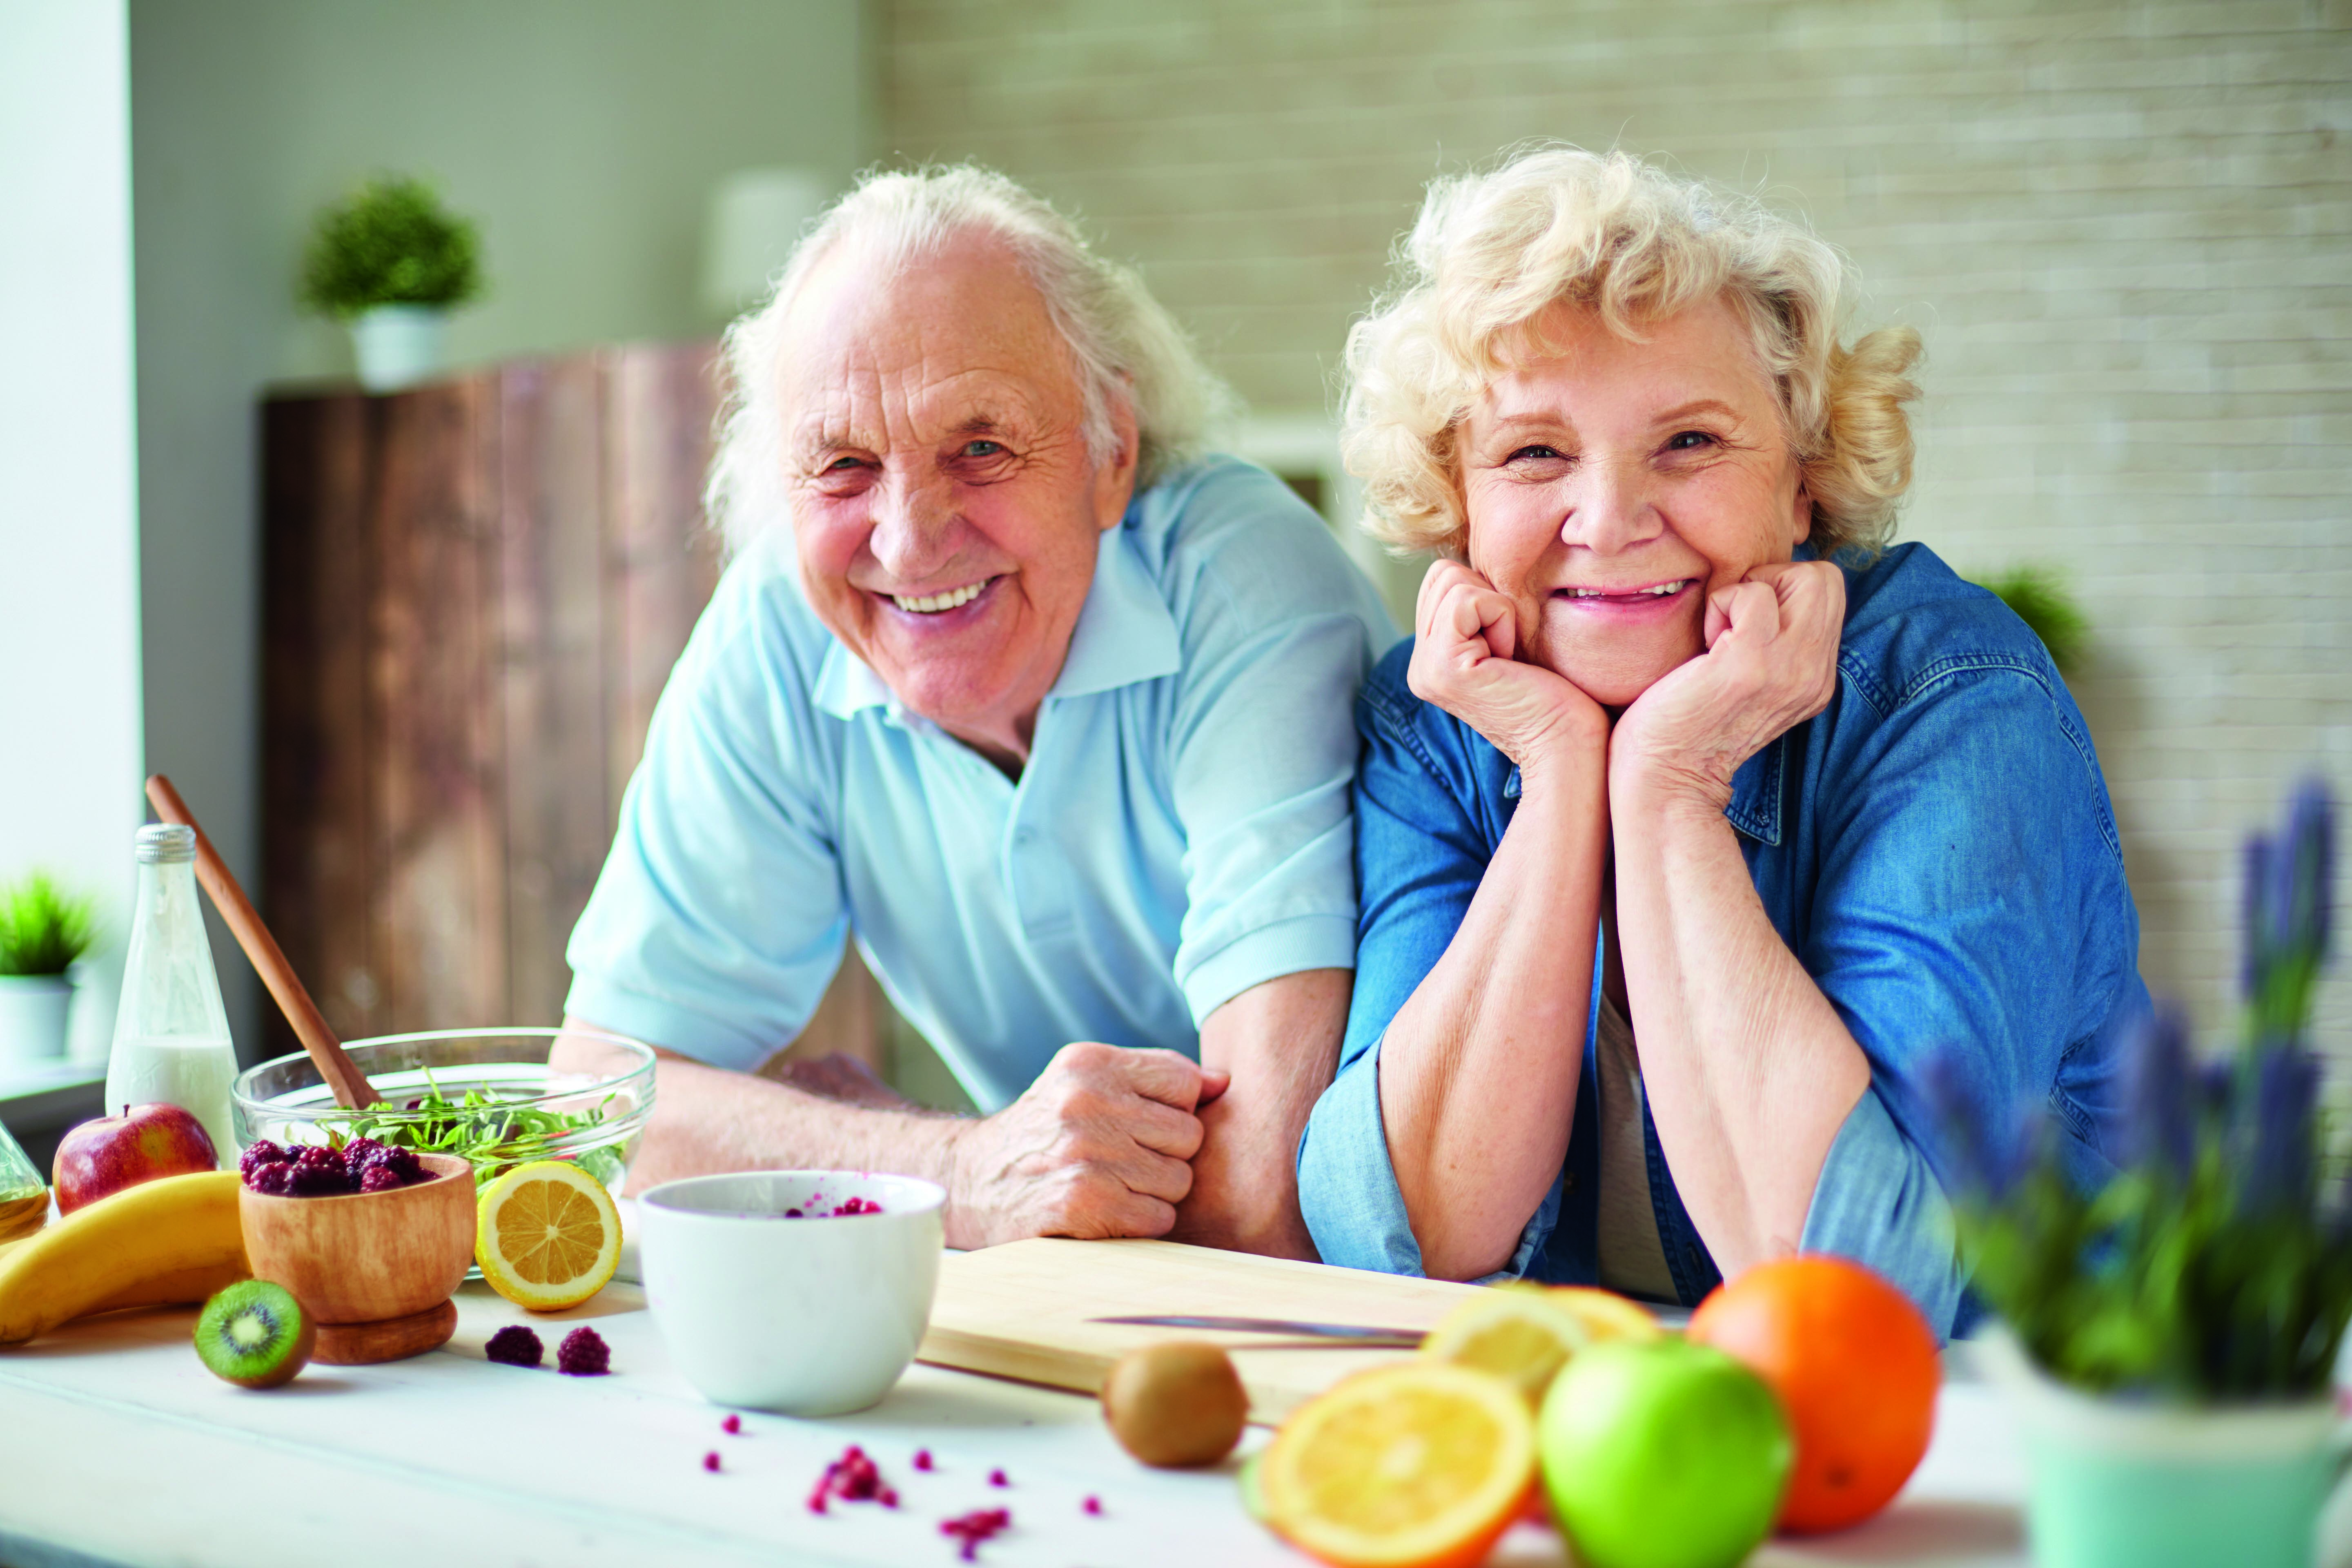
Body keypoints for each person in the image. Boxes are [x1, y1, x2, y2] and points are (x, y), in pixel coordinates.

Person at [1296, 147, 2146, 1335]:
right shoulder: (1444, 713)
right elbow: (1399, 1230)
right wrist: (1559, 776)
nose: (1609, 520)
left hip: (2033, 1454)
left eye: (1689, 443)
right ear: (1461, 500)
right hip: (1665, 1452)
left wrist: (1671, 779)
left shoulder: (1954, 693)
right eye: (1536, 452)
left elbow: (1864, 1280)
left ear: (1802, 486)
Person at [555, 166, 1394, 1258]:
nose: (907, 542)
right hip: (1082, 1321)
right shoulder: (782, 616)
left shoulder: (1241, 579)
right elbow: (599, 1111)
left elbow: (1267, 1193)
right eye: (844, 466)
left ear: (1110, 455)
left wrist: (896, 1151)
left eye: (982, 448)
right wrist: (959, 1170)